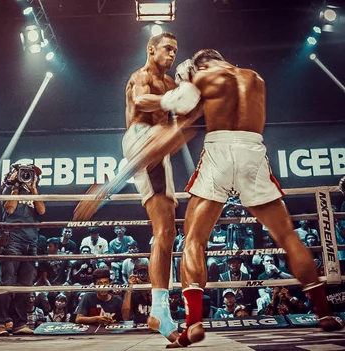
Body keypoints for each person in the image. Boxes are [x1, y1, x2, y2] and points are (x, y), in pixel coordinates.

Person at [161, 49, 344, 347]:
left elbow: (178, 106)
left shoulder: (204, 76)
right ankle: (324, 313)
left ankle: (192, 322)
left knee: (193, 238)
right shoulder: (254, 78)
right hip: (252, 149)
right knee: (287, 236)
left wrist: (184, 80)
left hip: (220, 148)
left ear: (202, 64)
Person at [120, 31, 186, 342]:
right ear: (151, 49)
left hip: (159, 150)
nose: (172, 55)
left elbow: (177, 122)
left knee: (167, 231)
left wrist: (188, 95)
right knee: (163, 231)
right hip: (140, 137)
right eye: (167, 49)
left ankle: (160, 310)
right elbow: (140, 100)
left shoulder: (173, 83)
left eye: (175, 50)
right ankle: (159, 310)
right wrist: (169, 100)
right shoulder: (141, 76)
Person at [0, 164, 46, 336]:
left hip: (31, 241)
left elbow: (42, 211)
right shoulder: (8, 189)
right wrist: (15, 185)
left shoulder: (35, 192)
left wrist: (34, 188)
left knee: (25, 286)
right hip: (12, 240)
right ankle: (0, 323)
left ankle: (19, 323)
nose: (28, 176)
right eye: (25, 173)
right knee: (7, 283)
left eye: (32, 174)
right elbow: (9, 208)